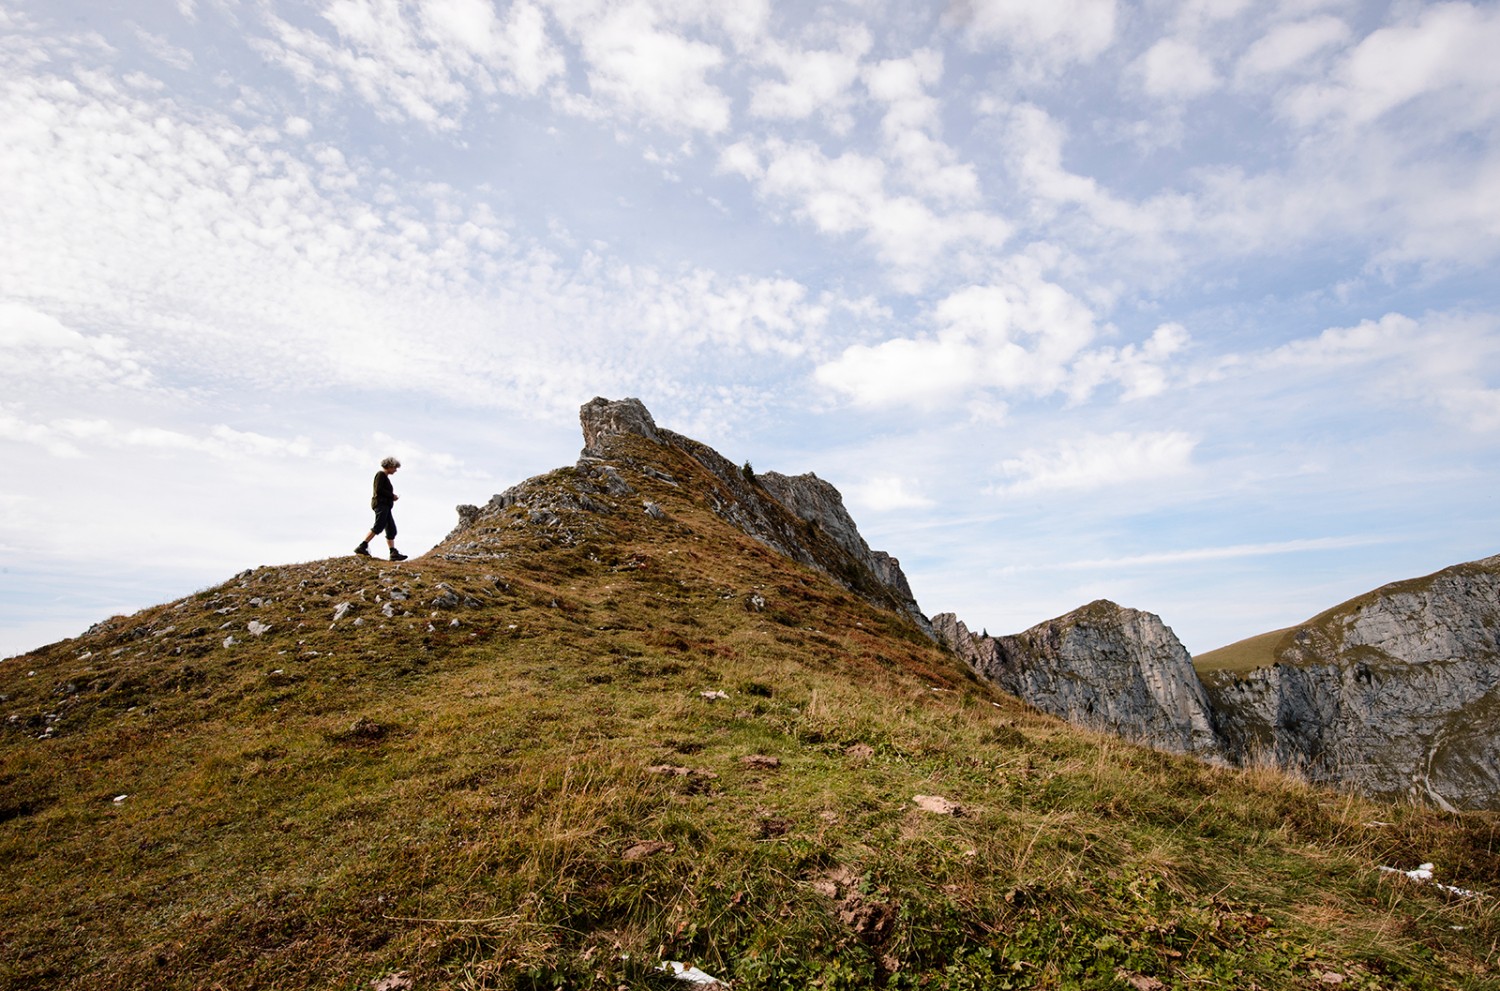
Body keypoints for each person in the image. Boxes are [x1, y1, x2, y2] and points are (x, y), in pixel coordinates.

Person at [355, 457, 408, 561]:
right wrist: (392, 496)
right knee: (379, 525)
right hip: (380, 504)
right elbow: (378, 489)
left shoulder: (385, 477)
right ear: (389, 466)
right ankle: (362, 546)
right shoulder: (380, 475)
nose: (395, 470)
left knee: (391, 529)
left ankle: (393, 552)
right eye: (395, 468)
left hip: (386, 506)